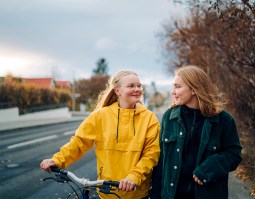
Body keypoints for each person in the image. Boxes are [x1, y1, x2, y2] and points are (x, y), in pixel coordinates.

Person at [40, 70, 160, 199]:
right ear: (117, 91)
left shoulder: (149, 118)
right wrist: (57, 160)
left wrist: (134, 176)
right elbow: (79, 142)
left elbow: (151, 154)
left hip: (137, 193)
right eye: (131, 86)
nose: (137, 89)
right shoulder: (100, 116)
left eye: (139, 85)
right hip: (106, 191)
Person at [149, 65, 242, 199]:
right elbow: (161, 162)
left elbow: (234, 155)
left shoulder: (224, 120)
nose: (172, 92)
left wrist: (209, 168)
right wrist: (155, 195)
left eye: (177, 86)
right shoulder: (169, 117)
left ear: (194, 89)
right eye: (173, 86)